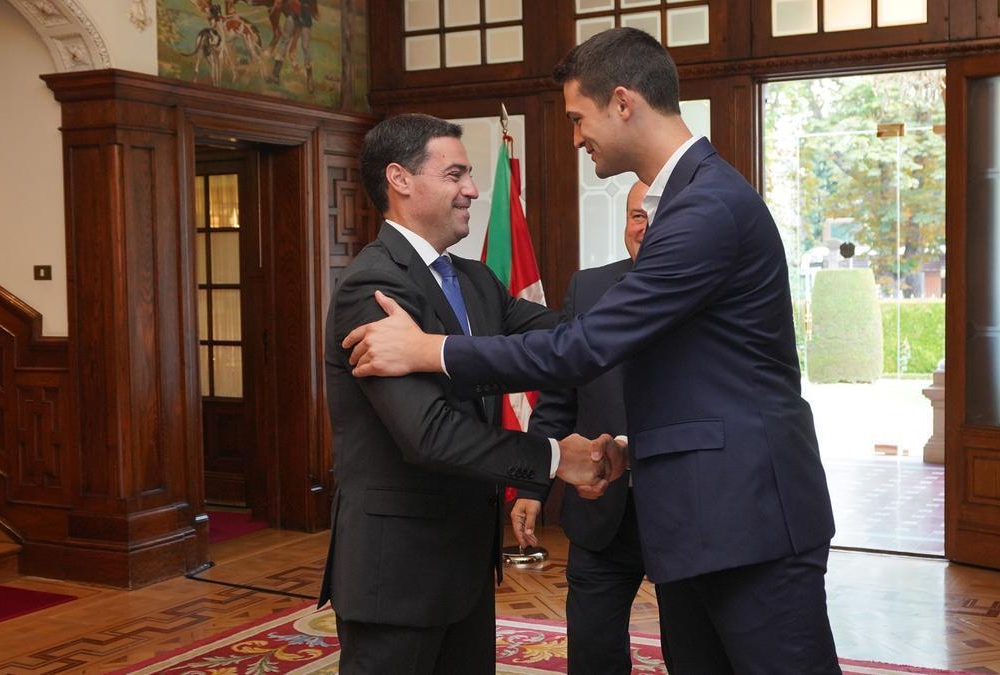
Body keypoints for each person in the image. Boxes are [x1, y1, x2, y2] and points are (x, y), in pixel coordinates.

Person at [343, 29, 841, 674]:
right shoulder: (691, 200)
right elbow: (687, 366)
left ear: (624, 102)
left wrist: (430, 349)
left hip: (745, 514)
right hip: (704, 512)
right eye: (456, 173)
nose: (576, 137)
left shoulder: (704, 208)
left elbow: (582, 348)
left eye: (579, 117)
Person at [318, 113, 624, 674]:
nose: (473, 190)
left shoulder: (477, 281)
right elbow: (428, 435)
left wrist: (658, 284)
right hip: (398, 576)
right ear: (400, 179)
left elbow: (564, 339)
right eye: (455, 173)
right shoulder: (374, 286)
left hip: (465, 566)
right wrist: (556, 458)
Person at [511, 180, 653, 675]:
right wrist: (533, 484)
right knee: (592, 653)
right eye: (637, 215)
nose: (645, 226)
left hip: (683, 510)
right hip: (600, 509)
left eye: (658, 213)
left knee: (695, 650)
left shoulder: (712, 291)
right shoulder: (588, 288)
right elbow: (558, 396)